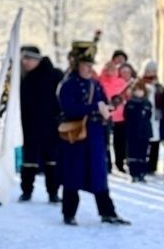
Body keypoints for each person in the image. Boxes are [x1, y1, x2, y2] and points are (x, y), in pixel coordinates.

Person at [57, 45, 129, 225]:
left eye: (91, 65)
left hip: (95, 135)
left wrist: (109, 107)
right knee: (73, 175)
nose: (90, 68)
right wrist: (94, 108)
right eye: (85, 64)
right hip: (77, 135)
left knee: (99, 176)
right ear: (77, 65)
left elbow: (103, 102)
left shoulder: (95, 83)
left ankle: (107, 212)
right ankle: (69, 213)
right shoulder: (68, 84)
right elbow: (68, 108)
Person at [19, 45, 63, 202]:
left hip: (51, 126)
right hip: (29, 126)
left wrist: (59, 119)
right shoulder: (24, 77)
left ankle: (53, 192)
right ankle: (26, 191)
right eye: (23, 58)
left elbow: (62, 99)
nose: (25, 62)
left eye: (28, 58)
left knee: (51, 161)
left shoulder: (55, 75)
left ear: (37, 59)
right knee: (29, 161)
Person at [97, 55, 130, 172]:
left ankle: (120, 164)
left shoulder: (121, 82)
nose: (110, 71)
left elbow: (127, 96)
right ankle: (107, 165)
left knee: (119, 142)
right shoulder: (99, 81)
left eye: (112, 68)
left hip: (120, 116)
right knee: (105, 141)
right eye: (107, 68)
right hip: (105, 115)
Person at [124, 84, 154, 182]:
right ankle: (134, 173)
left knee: (143, 153)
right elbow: (127, 116)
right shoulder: (130, 103)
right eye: (136, 90)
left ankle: (142, 173)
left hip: (144, 132)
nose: (139, 93)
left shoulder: (147, 103)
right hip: (132, 132)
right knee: (133, 154)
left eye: (140, 90)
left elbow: (148, 116)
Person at [138, 59, 163, 174]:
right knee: (144, 140)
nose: (151, 72)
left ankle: (153, 165)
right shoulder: (140, 83)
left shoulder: (158, 85)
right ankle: (142, 163)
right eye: (148, 70)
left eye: (153, 70)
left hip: (156, 116)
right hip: (143, 115)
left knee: (155, 140)